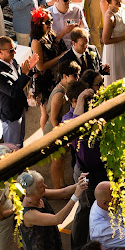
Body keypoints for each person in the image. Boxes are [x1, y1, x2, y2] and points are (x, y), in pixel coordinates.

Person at [61, 82, 109, 250]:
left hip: (101, 170)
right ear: (75, 100)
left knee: (99, 209)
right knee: (84, 211)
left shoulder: (92, 113)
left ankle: (95, 248)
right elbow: (76, 128)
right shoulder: (68, 119)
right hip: (84, 172)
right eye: (84, 99)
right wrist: (81, 98)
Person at [18, 170, 88, 250]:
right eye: (41, 186)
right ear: (30, 193)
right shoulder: (28, 214)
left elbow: (64, 192)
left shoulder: (38, 194)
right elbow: (58, 219)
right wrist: (75, 196)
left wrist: (80, 184)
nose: (45, 187)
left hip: (50, 241)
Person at [0, 36, 39, 146]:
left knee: (20, 141)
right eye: (11, 50)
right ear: (0, 51)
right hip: (10, 115)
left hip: (19, 108)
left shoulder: (12, 61)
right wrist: (25, 74)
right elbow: (14, 92)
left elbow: (19, 82)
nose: (15, 52)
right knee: (12, 148)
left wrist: (29, 70)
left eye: (15, 48)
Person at [30, 8, 68, 132]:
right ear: (38, 24)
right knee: (46, 113)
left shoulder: (50, 34)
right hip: (44, 81)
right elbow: (40, 66)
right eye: (47, 22)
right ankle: (45, 139)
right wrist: (60, 57)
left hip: (54, 77)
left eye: (51, 20)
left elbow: (55, 43)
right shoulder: (36, 42)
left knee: (55, 110)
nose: (50, 23)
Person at [46, 60, 81, 189]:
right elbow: (54, 118)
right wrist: (62, 138)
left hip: (59, 129)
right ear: (65, 76)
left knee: (61, 161)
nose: (77, 78)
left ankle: (62, 184)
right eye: (75, 76)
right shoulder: (59, 94)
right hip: (55, 131)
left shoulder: (65, 89)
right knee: (57, 162)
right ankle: (57, 189)